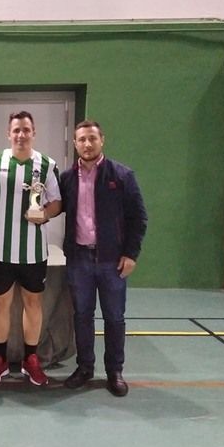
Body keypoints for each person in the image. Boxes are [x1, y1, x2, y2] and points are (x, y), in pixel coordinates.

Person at [0, 111, 62, 386]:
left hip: (34, 252)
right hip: (0, 250)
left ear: (34, 132)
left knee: (33, 304)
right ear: (8, 134)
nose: (21, 135)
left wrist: (44, 214)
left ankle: (30, 359)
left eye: (26, 129)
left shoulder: (46, 164)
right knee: (0, 305)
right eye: (16, 130)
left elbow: (57, 202)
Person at [59, 120, 147, 397]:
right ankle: (85, 367)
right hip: (79, 260)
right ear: (75, 144)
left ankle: (114, 371)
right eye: (82, 139)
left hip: (112, 261)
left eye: (92, 138)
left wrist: (131, 254)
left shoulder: (122, 175)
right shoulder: (66, 179)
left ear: (102, 140)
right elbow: (52, 206)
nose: (87, 144)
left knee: (114, 318)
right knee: (82, 316)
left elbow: (139, 217)